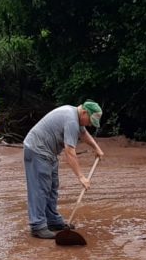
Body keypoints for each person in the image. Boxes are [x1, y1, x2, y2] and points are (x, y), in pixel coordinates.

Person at [23, 100, 105, 239]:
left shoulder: (76, 116)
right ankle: (38, 225)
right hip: (37, 150)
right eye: (90, 121)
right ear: (84, 112)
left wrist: (96, 148)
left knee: (52, 187)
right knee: (40, 188)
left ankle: (52, 220)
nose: (90, 124)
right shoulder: (72, 120)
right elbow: (70, 152)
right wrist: (81, 177)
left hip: (49, 152)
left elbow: (83, 133)